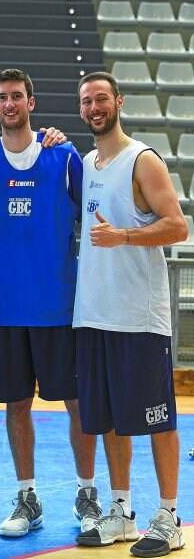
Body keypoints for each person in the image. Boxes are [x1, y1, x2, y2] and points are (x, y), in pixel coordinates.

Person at [0, 68, 99, 538]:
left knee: (78, 405)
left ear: (31, 103)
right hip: (2, 312)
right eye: (2, 98)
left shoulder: (64, 157)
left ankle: (87, 494)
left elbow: (96, 213)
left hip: (58, 309)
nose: (10, 104)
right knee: (16, 406)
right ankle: (27, 497)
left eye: (17, 96)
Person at [74, 71, 187, 557]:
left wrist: (123, 235)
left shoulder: (143, 159)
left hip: (139, 318)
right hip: (94, 313)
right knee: (110, 421)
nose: (95, 107)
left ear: (118, 102)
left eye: (102, 98)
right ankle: (121, 510)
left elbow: (177, 226)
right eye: (86, 101)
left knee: (158, 420)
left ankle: (169, 516)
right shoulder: (85, 162)